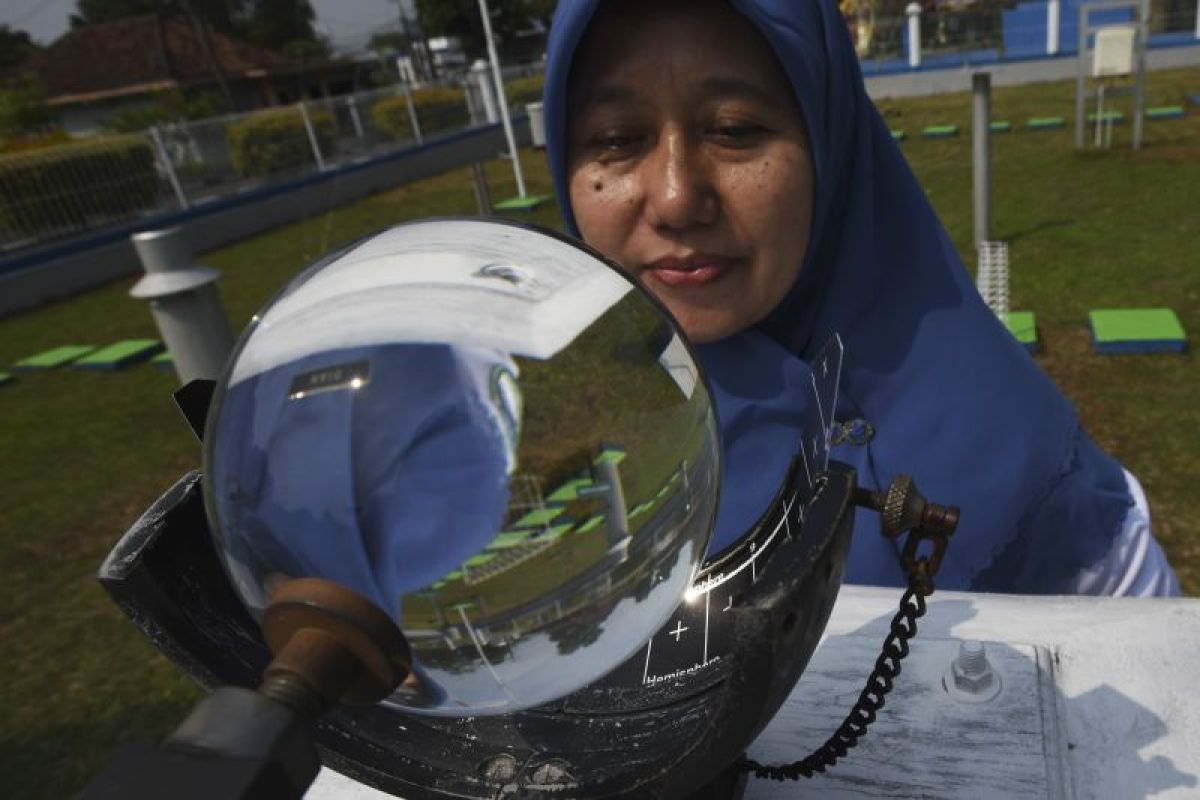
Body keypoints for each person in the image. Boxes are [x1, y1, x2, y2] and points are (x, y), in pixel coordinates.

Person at [541, 0, 1180, 595]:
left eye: (733, 129)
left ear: (830, 141)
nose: (677, 198)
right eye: (618, 140)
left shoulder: (1023, 482)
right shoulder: (537, 460)